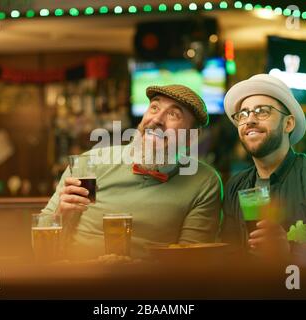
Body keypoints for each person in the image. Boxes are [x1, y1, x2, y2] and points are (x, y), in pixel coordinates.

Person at [41, 84, 222, 260]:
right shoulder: (89, 163)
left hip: (149, 286)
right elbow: (40, 249)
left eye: (173, 114)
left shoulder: (204, 182)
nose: (157, 119)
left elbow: (189, 262)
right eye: (154, 107)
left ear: (191, 138)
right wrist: (60, 215)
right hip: (76, 278)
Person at [220, 74, 306, 262]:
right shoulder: (236, 185)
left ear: (288, 123)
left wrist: (290, 250)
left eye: (262, 111)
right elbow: (229, 253)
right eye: (243, 114)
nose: (249, 120)